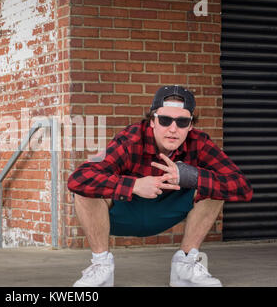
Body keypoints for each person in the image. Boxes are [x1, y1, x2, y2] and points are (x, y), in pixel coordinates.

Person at [67, 85, 253, 287]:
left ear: (190, 125)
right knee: (85, 190)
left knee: (215, 186)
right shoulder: (130, 139)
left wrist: (190, 176)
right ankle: (101, 268)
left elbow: (242, 187)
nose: (173, 129)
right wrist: (134, 185)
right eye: (165, 120)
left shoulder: (199, 142)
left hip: (167, 212)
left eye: (182, 122)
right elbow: (78, 178)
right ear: (153, 121)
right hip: (124, 212)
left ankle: (185, 265)